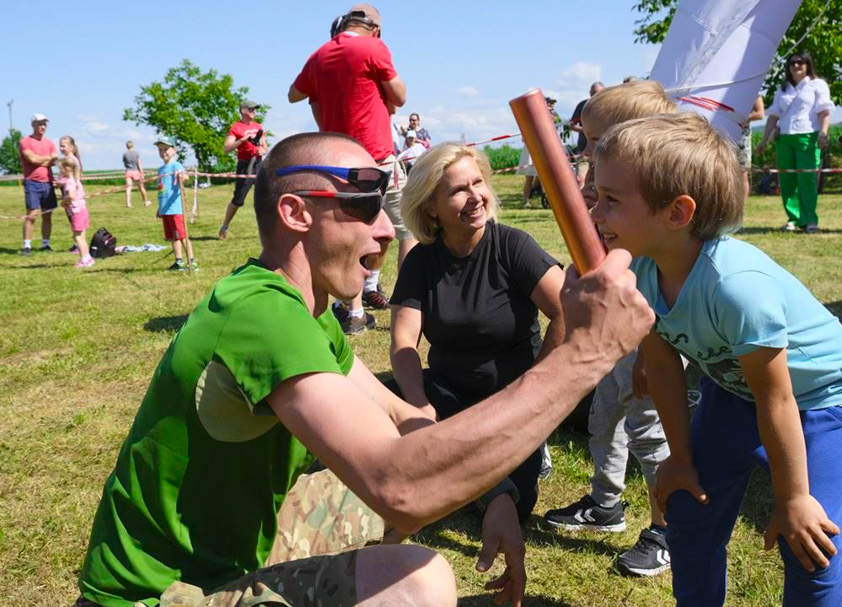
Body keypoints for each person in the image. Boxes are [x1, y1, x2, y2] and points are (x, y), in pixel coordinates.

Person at [73, 131, 655, 607]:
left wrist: (499, 494)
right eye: (361, 205)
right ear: (296, 213)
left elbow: (403, 419)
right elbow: (402, 487)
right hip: (160, 594)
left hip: (229, 551)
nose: (384, 230)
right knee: (419, 583)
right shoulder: (260, 314)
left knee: (372, 488)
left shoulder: (305, 310)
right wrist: (584, 355)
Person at [591, 112, 842, 605]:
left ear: (676, 213)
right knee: (690, 515)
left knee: (811, 541)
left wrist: (794, 497)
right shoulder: (641, 269)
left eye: (610, 200)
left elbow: (777, 399)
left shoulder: (736, 288)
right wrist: (680, 458)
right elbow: (664, 366)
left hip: (819, 402)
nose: (594, 214)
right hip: (733, 391)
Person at [389, 142, 566, 524]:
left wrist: (540, 387)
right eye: (458, 190)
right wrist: (418, 404)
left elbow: (568, 311)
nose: (475, 197)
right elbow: (404, 341)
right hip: (446, 396)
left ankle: (484, 464)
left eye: (478, 183)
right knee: (374, 400)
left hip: (512, 403)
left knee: (513, 504)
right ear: (430, 207)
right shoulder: (422, 259)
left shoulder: (513, 246)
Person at [544, 80, 677, 577]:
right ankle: (606, 506)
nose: (588, 151)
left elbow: (661, 294)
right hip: (616, 339)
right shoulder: (613, 196)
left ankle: (667, 529)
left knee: (650, 434)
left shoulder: (650, 208)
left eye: (597, 143)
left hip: (650, 341)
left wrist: (648, 354)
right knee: (604, 420)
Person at [289, 3, 416, 332]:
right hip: (377, 157)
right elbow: (400, 97)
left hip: (337, 162)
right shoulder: (374, 47)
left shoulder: (319, 56)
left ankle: (357, 309)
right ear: (375, 28)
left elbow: (294, 94)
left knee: (354, 232)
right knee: (406, 232)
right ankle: (407, 305)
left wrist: (324, 117)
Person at [756, 52, 834, 233]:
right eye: (792, 63)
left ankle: (809, 220)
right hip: (784, 138)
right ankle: (793, 218)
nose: (796, 66)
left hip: (808, 136)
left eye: (800, 62)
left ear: (808, 65)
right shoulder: (783, 89)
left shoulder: (817, 85)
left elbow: (824, 111)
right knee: (787, 179)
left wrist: (823, 133)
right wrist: (764, 140)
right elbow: (773, 116)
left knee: (806, 179)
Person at [218, 99, 268, 240]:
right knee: (239, 199)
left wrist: (262, 151)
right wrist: (243, 140)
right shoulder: (236, 128)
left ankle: (267, 229)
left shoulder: (258, 126)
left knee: (264, 197)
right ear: (243, 110)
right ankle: (225, 226)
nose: (254, 111)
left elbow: (265, 147)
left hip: (258, 164)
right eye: (251, 109)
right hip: (245, 165)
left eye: (255, 109)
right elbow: (226, 148)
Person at [154, 136, 197, 272]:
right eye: (160, 149)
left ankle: (192, 261)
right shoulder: (160, 170)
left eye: (166, 149)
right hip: (165, 209)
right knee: (173, 237)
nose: (163, 152)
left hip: (176, 208)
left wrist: (181, 177)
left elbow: (185, 176)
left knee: (182, 236)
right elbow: (161, 190)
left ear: (174, 150)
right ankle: (178, 261)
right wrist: (159, 207)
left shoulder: (176, 165)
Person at [19, 113, 59, 256]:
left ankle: (45, 244)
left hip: (47, 183)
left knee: (47, 215)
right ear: (33, 125)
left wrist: (43, 160)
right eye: (40, 124)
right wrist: (46, 159)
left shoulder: (49, 142)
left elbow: (54, 159)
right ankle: (27, 245)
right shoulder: (25, 141)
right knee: (32, 214)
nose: (43, 127)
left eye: (44, 124)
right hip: (32, 183)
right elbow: (32, 159)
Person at [520, 96, 562, 208]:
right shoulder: (531, 116)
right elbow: (524, 137)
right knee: (529, 177)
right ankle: (526, 200)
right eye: (549, 104)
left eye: (552, 104)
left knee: (545, 177)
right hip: (532, 149)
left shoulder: (554, 117)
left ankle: (546, 199)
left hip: (545, 149)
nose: (551, 106)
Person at [59, 156, 94, 268]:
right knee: (82, 236)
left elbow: (71, 195)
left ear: (67, 169)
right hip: (83, 210)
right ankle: (87, 257)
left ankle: (84, 259)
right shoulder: (76, 181)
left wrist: (63, 201)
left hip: (76, 212)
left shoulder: (69, 182)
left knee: (77, 237)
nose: (60, 171)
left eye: (61, 169)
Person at [570, 82, 605, 190]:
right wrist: (587, 131)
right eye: (593, 93)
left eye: (598, 93)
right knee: (580, 179)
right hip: (585, 150)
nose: (595, 96)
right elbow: (572, 125)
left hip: (603, 153)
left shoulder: (609, 107)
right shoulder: (582, 106)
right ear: (590, 93)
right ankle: (579, 206)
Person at [739, 96, 765, 197]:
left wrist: (740, 118)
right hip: (723, 133)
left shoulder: (755, 91)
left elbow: (760, 114)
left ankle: (740, 208)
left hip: (742, 137)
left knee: (742, 172)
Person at [122, 141, 150, 208]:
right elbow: (139, 164)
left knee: (128, 188)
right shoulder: (136, 153)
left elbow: (125, 164)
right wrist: (142, 173)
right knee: (141, 187)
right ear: (133, 145)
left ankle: (128, 203)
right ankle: (145, 201)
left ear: (126, 146)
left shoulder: (125, 154)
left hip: (128, 171)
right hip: (136, 171)